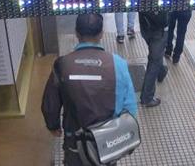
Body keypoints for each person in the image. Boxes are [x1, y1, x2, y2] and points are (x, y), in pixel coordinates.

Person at [42, 13, 138, 165]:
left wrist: (53, 125)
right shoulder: (118, 64)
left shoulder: (62, 64)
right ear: (101, 34)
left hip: (74, 141)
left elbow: (50, 102)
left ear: (76, 33)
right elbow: (130, 108)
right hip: (106, 143)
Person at [139, 10, 170, 107]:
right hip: (158, 31)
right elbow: (164, 20)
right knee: (154, 62)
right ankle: (147, 98)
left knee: (155, 56)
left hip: (145, 27)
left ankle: (162, 71)